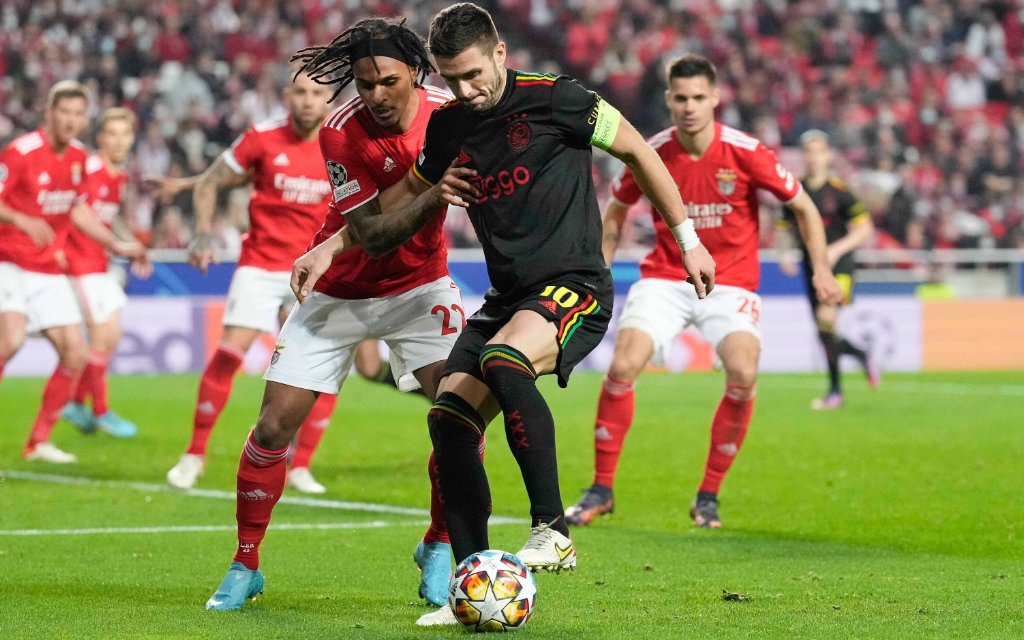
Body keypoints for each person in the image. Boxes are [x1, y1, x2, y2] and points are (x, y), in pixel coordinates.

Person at [291, 4, 712, 626]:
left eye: (472, 75)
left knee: (504, 359)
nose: (464, 90)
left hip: (574, 287)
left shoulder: (560, 100)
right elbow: (397, 200)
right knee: (450, 420)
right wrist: (330, 244)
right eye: (450, 78)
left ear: (498, 55)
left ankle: (552, 529)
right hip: (510, 298)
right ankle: (470, 585)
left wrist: (687, 238)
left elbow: (640, 155)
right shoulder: (450, 128)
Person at [204, 17, 468, 612]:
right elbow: (373, 234)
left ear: (416, 75)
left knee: (460, 420)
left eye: (387, 82)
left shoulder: (451, 112)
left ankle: (440, 542)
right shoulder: (341, 131)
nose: (374, 94)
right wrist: (436, 190)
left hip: (421, 288)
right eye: (363, 82)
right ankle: (246, 563)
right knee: (273, 428)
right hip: (338, 291)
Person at [565, 54, 841, 531]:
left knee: (743, 371)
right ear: (669, 100)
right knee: (624, 363)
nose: (690, 107)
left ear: (715, 99)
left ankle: (708, 495)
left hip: (730, 282)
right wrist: (600, 269)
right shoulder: (651, 150)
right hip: (666, 277)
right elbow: (614, 211)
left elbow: (804, 207)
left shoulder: (746, 151)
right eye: (681, 98)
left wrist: (822, 271)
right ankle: (602, 487)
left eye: (699, 98)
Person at [158, 70, 341, 495]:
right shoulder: (261, 137)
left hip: (314, 269)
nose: (308, 100)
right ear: (286, 95)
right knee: (228, 355)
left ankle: (302, 465)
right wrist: (203, 235)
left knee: (322, 367)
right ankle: (194, 455)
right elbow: (211, 181)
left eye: (317, 92)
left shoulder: (341, 141)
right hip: (260, 264)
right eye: (300, 92)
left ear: (328, 98)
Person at [0, 81, 145, 463]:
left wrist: (114, 244)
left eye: (78, 113)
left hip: (48, 268)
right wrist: (20, 218)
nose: (71, 120)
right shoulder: (22, 152)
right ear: (49, 113)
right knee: (9, 342)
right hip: (10, 262)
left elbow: (79, 211)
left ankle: (38, 442)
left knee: (76, 352)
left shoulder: (79, 158)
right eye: (64, 112)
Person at [61, 107, 153, 438]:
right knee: (102, 336)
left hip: (98, 264)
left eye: (124, 134)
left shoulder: (120, 175)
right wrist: (117, 244)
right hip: (77, 263)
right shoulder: (91, 167)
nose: (118, 141)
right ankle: (100, 411)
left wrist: (132, 246)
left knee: (110, 338)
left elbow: (108, 218)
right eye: (111, 133)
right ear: (100, 137)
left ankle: (74, 402)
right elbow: (78, 211)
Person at [777, 130, 879, 409]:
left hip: (839, 266)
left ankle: (836, 391)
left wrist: (835, 250)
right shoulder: (794, 190)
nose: (813, 157)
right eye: (808, 152)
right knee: (824, 330)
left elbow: (864, 229)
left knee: (825, 319)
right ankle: (858, 354)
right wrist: (784, 253)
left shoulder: (839, 192)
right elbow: (783, 227)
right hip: (810, 266)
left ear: (827, 156)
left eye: (818, 151)